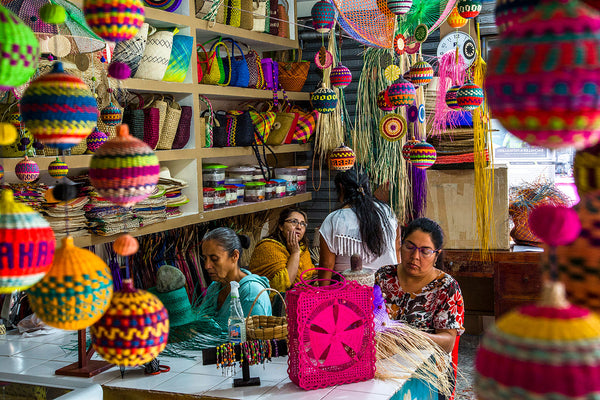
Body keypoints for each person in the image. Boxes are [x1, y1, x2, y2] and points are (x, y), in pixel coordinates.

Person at [376, 218, 464, 400]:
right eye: (410, 247)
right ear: (401, 245)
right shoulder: (384, 276)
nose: (415, 256)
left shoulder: (446, 287)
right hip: (384, 362)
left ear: (436, 255)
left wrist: (410, 336)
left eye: (425, 251)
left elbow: (448, 341)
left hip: (428, 370)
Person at [319, 168, 399, 282]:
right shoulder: (386, 211)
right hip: (387, 285)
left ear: (341, 187)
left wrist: (323, 296)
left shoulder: (334, 219)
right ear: (367, 187)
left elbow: (326, 265)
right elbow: (397, 251)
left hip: (349, 290)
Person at [197, 227, 272, 331]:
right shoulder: (215, 287)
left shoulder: (251, 293)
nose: (207, 266)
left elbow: (252, 342)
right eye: (205, 259)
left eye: (214, 259)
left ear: (234, 256)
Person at [248, 208, 315, 294]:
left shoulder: (303, 249)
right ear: (281, 226)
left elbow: (309, 276)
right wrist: (295, 253)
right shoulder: (268, 247)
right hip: (272, 301)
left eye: (303, 224)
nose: (299, 227)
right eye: (294, 222)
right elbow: (283, 285)